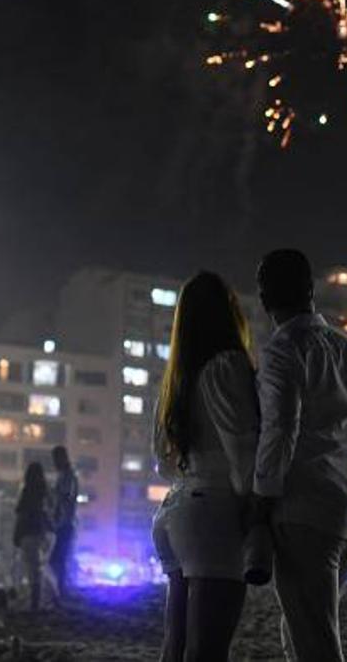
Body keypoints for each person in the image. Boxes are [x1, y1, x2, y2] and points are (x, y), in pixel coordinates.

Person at [251, 249, 347, 662]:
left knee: (316, 640)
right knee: (304, 626)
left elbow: (280, 429)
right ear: (310, 291)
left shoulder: (282, 350)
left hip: (302, 511)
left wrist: (262, 498)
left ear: (264, 298)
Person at [151, 271, 260, 662]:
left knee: (176, 644)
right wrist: (255, 506)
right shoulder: (227, 366)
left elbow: (162, 462)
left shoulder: (177, 379)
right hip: (214, 512)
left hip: (174, 510)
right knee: (208, 648)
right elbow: (244, 449)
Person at [13, 461, 53, 611]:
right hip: (44, 532)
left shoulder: (27, 491)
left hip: (29, 532)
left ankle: (35, 602)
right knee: (40, 567)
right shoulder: (46, 491)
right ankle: (46, 598)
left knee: (31, 568)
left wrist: (16, 534)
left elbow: (21, 513)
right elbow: (53, 510)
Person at [48, 446, 78, 596]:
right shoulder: (65, 475)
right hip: (64, 523)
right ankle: (62, 589)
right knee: (59, 558)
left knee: (58, 558)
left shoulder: (67, 476)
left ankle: (62, 589)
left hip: (65, 523)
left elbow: (65, 497)